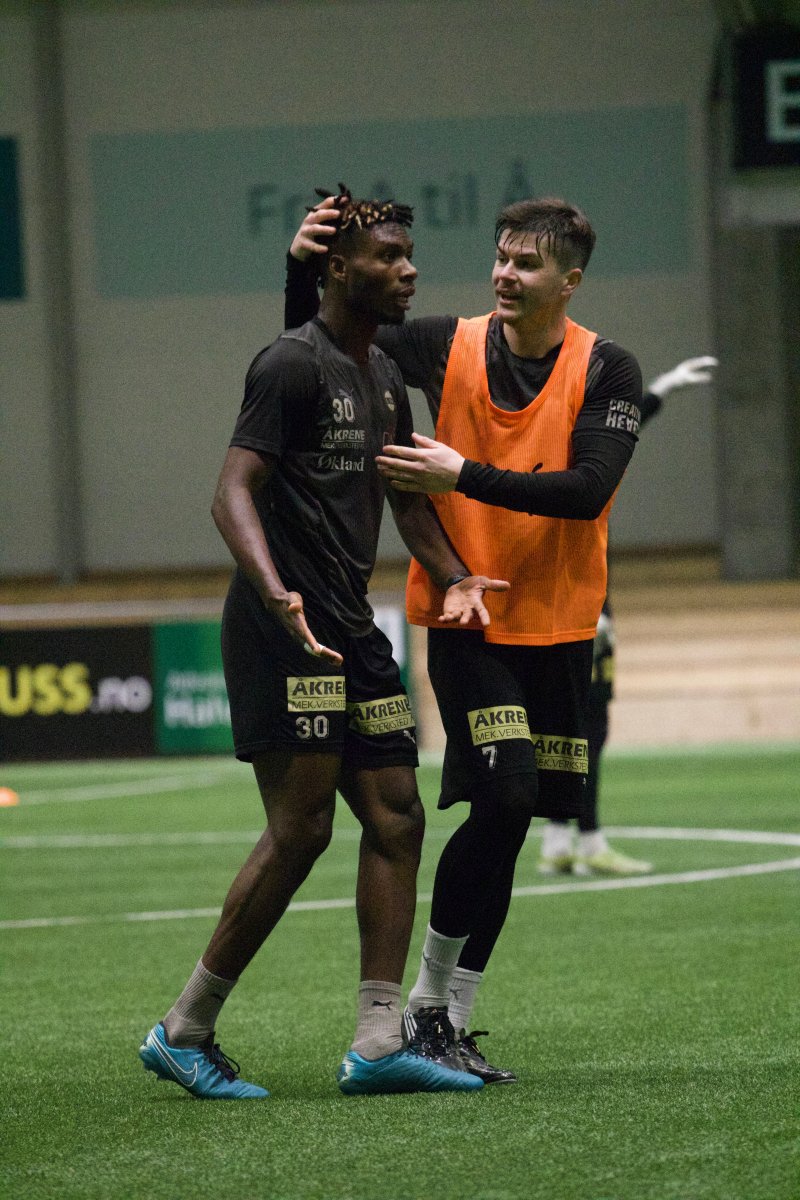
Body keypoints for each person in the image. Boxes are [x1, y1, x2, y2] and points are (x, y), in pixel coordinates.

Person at [139, 187, 511, 1101]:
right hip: (285, 633)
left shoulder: (382, 375)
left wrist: (455, 570)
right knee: (302, 830)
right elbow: (231, 490)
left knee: (397, 817)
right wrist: (275, 594)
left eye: (409, 254)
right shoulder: (289, 364)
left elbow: (408, 497)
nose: (409, 268)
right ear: (338, 269)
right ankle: (183, 1029)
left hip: (353, 629)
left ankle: (379, 1042)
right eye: (388, 255)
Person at [285, 192, 645, 1083]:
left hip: (558, 624)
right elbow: (319, 348)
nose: (504, 273)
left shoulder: (610, 368)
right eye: (500, 257)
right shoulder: (447, 341)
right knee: (510, 796)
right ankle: (423, 1007)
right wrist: (299, 269)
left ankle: (450, 1016)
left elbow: (587, 490)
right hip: (468, 614)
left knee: (511, 821)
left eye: (527, 263)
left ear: (570, 280)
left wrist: (461, 472)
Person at [539, 355, 718, 877]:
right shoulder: (564, 466)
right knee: (586, 725)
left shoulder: (580, 452)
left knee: (575, 724)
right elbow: (559, 539)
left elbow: (626, 422)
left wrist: (661, 389)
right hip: (576, 609)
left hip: (589, 603)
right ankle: (586, 842)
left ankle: (557, 839)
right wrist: (588, 610)